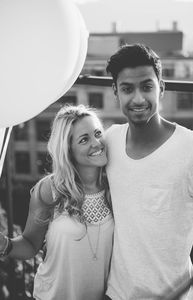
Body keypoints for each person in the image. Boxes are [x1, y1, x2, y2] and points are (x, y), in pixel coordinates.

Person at [104, 43, 193, 300]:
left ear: (162, 89)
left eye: (147, 86)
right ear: (115, 91)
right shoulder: (110, 140)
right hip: (116, 294)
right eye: (126, 89)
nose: (137, 99)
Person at [0, 104, 114, 300]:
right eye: (84, 139)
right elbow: (30, 244)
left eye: (97, 133)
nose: (97, 143)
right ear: (68, 150)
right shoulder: (49, 190)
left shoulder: (115, 186)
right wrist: (5, 244)